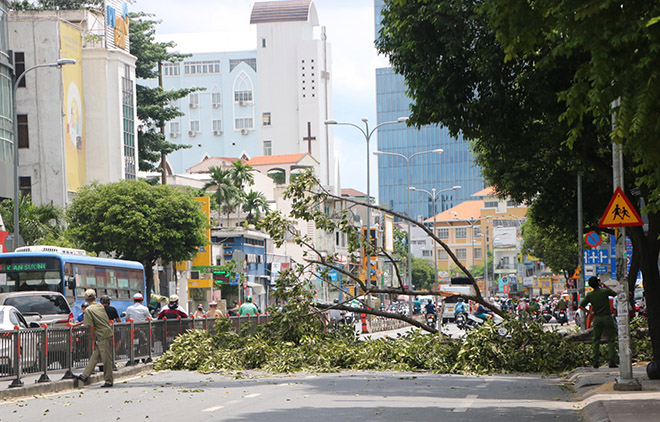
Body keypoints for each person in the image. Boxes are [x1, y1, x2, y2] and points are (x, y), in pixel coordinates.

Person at [74, 289, 114, 388]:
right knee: (96, 355)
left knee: (106, 359)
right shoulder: (99, 306)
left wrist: (92, 341)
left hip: (102, 335)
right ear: (95, 297)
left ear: (86, 299)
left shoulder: (88, 310)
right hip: (106, 332)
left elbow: (91, 326)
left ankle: (108, 380)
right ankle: (85, 375)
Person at [580, 276, 618, 368]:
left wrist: (590, 313)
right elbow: (614, 293)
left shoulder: (590, 295)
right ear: (598, 283)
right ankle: (611, 361)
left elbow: (581, 306)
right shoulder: (604, 292)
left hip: (597, 318)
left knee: (596, 340)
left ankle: (595, 361)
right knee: (611, 340)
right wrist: (605, 286)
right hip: (607, 317)